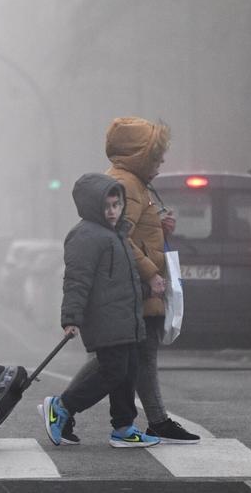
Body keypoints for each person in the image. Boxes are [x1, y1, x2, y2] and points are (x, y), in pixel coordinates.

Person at [68, 116, 198, 444]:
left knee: (128, 359)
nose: (161, 162)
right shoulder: (126, 184)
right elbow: (118, 239)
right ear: (139, 155)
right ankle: (66, 408)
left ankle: (151, 420)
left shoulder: (135, 183)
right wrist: (150, 273)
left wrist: (160, 226)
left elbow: (130, 232)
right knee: (127, 360)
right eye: (156, 155)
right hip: (134, 289)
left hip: (136, 287)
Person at [41, 173, 159, 448]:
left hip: (125, 320)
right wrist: (71, 318)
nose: (113, 211)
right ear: (92, 207)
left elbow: (120, 282)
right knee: (113, 371)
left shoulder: (116, 235)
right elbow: (76, 280)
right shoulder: (85, 236)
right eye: (106, 206)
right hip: (105, 321)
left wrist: (147, 291)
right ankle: (62, 406)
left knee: (127, 372)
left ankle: (123, 428)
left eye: (116, 205)